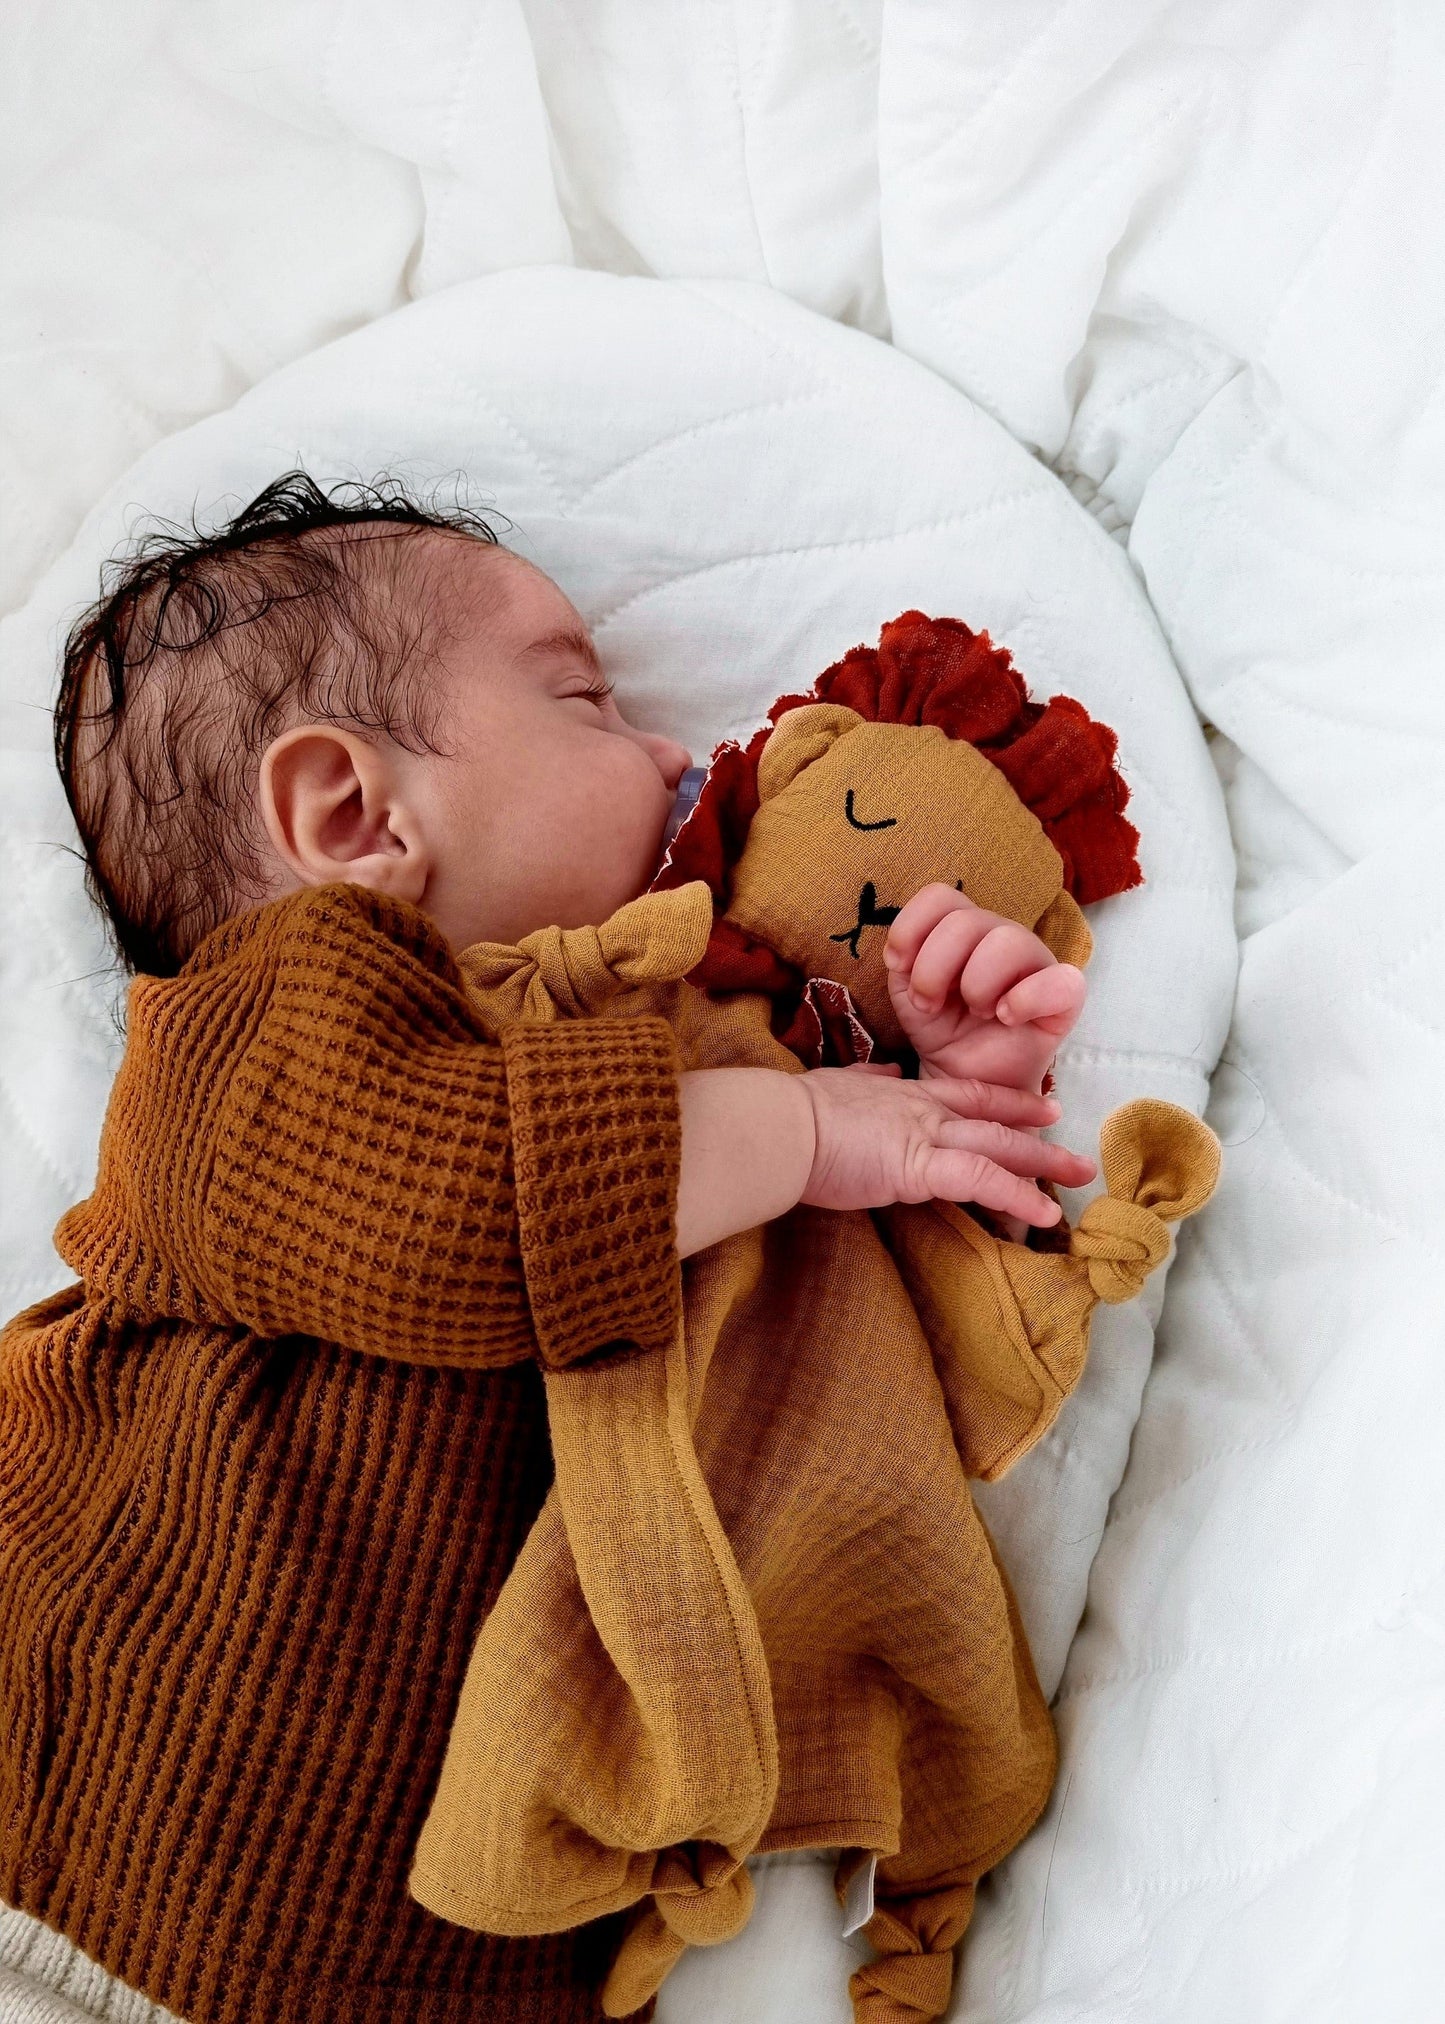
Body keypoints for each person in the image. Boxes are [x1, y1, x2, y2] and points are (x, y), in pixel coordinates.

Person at [0, 473, 1090, 2024]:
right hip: (61, 1855)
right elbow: (469, 1207)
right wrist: (814, 1136)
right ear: (353, 819)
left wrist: (947, 1114)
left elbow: (821, 1403)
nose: (666, 753)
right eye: (582, 699)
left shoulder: (669, 1066)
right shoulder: (258, 1037)